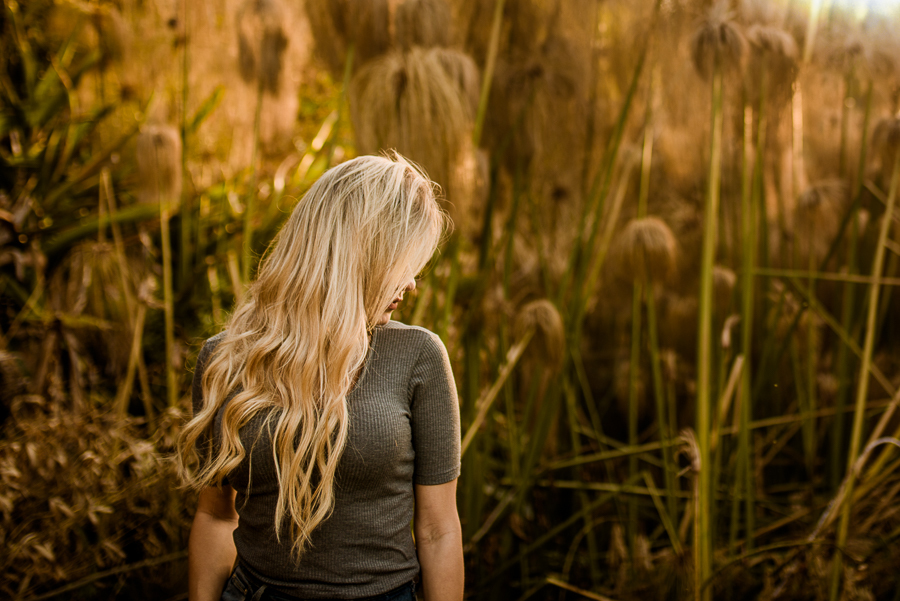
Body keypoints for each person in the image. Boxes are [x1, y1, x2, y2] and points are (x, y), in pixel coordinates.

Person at [178, 154, 463, 601]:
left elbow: (438, 529)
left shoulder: (418, 357)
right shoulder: (225, 359)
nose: (411, 285)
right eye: (403, 263)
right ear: (361, 253)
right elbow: (215, 515)